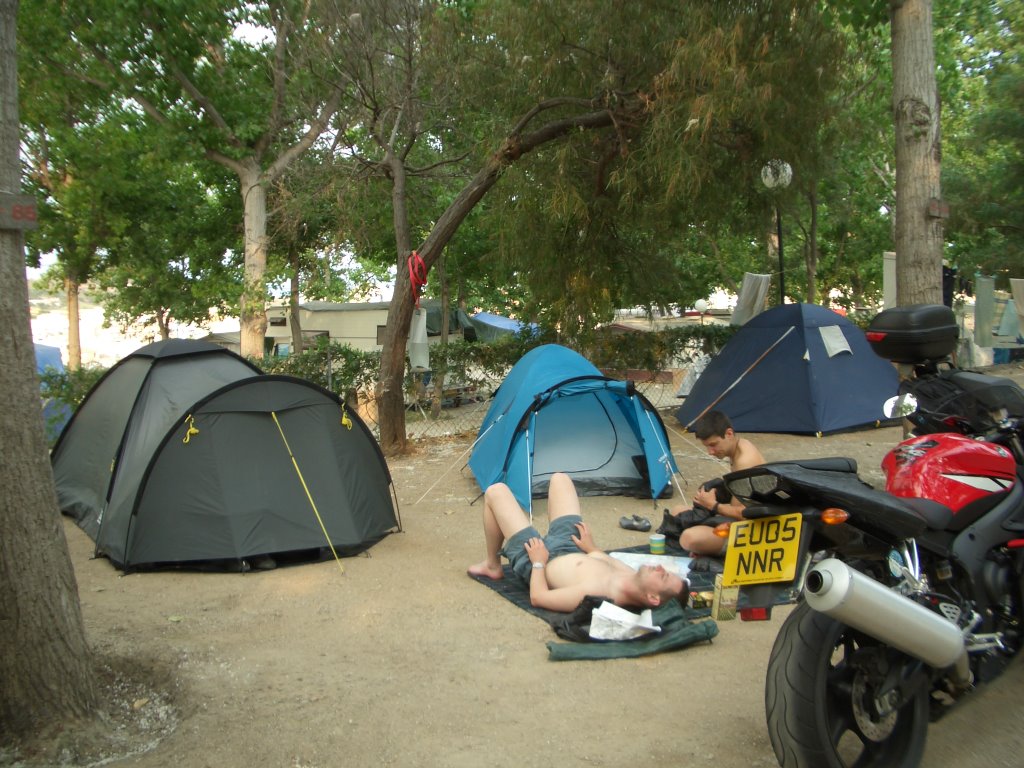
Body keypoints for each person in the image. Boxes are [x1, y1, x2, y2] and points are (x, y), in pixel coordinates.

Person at [467, 472, 687, 613]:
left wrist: (537, 563)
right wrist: (591, 548)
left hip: (539, 559)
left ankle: (492, 565)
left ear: (652, 598)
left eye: (664, 576)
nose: (660, 567)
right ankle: (498, 562)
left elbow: (539, 597)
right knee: (560, 479)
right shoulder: (631, 575)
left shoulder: (598, 595)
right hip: (571, 546)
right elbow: (603, 558)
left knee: (496, 492)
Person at [672, 410, 765, 556]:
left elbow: (745, 515)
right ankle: (706, 543)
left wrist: (712, 505)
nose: (710, 452)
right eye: (707, 446)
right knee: (677, 511)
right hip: (735, 522)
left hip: (751, 531)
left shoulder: (745, 462)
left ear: (729, 434)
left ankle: (708, 548)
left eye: (713, 445)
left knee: (689, 538)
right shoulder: (740, 446)